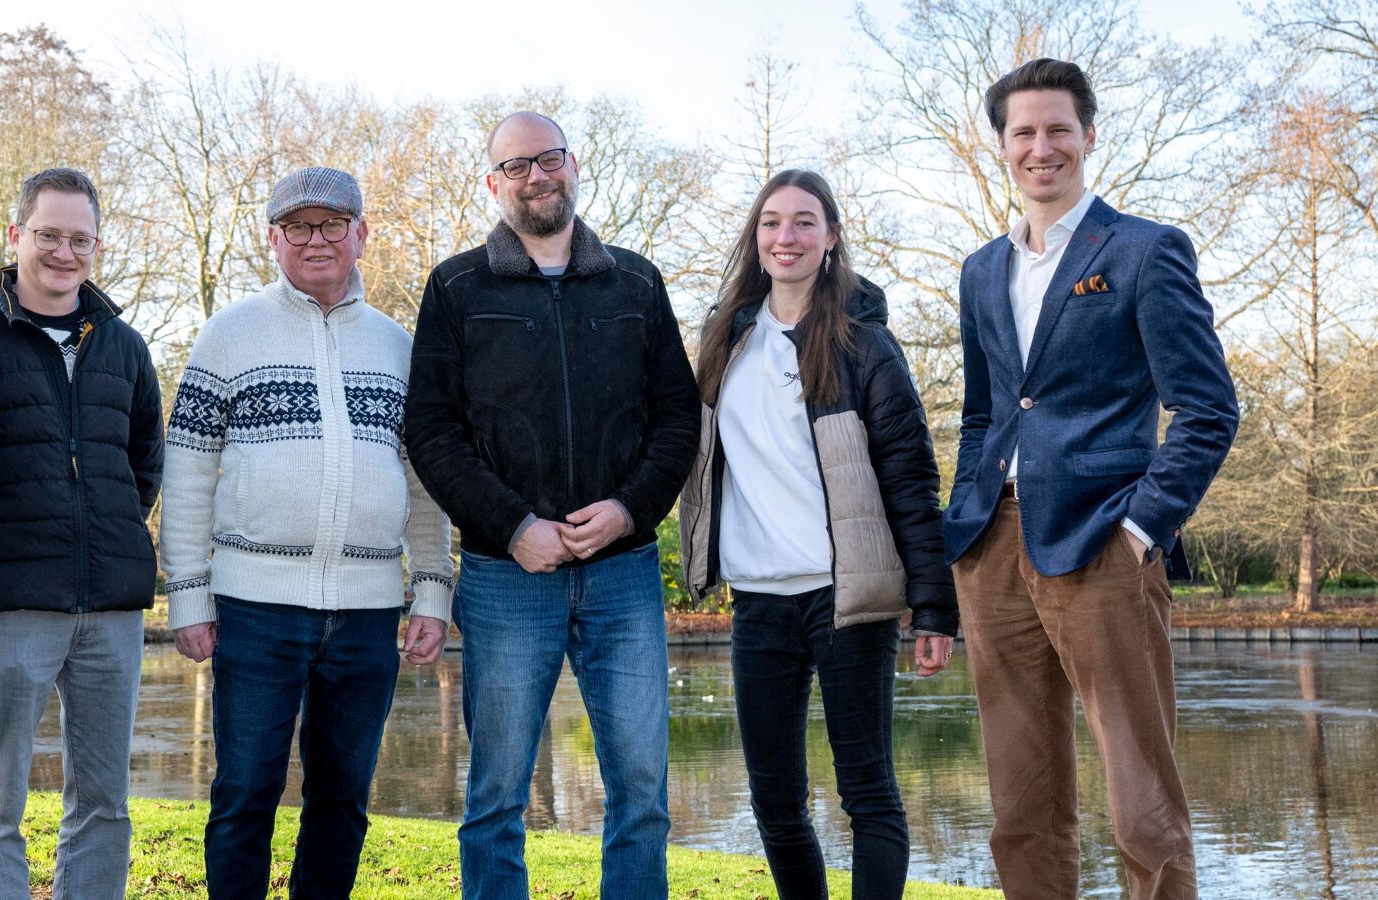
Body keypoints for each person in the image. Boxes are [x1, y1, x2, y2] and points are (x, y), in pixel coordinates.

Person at [944, 59, 1238, 900]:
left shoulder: (1144, 250)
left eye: (1058, 129)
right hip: (992, 549)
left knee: (1142, 800)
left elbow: (1208, 408)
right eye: (1024, 132)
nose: (1042, 147)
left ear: (1088, 136)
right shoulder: (980, 270)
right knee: (1020, 802)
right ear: (1002, 145)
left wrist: (1142, 527)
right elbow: (982, 414)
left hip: (1104, 541)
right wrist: (962, 518)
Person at [405, 111, 701, 898]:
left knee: (641, 792)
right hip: (506, 576)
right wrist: (513, 526)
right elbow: (431, 431)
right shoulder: (457, 287)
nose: (537, 176)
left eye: (549, 159)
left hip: (624, 572)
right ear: (493, 183)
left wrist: (630, 510)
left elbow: (679, 419)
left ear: (574, 165)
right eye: (517, 165)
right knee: (496, 795)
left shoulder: (636, 282)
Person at [160, 166, 454, 899]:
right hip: (255, 606)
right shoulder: (229, 335)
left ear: (362, 233)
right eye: (297, 226)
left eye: (331, 224)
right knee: (244, 795)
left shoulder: (398, 347)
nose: (315, 239)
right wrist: (189, 594)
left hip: (368, 611)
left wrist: (432, 588)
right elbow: (188, 470)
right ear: (273, 238)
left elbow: (425, 480)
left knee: (343, 799)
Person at [678, 170, 957, 900]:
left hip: (847, 599)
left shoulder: (865, 346)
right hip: (758, 599)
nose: (787, 237)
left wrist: (935, 608)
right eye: (772, 222)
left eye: (805, 221)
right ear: (756, 238)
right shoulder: (724, 340)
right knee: (774, 800)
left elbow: (911, 479)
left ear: (831, 236)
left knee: (868, 792)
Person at [0, 167, 163, 900]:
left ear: (97, 245)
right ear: (15, 235)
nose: (64, 253)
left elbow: (143, 463)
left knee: (103, 803)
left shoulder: (124, 345)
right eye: (48, 235)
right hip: (7, 596)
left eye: (80, 239)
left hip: (111, 605)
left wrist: (107, 528)